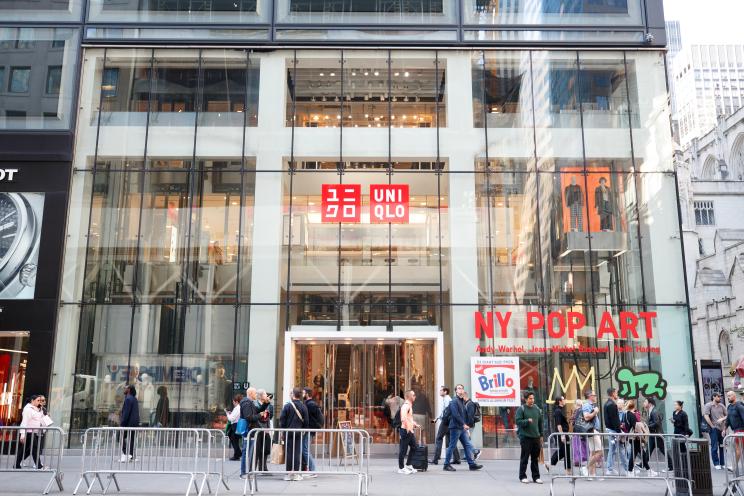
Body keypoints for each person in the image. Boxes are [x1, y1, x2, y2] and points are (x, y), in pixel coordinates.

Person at [442, 385, 483, 472]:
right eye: (459, 388)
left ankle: (471, 464)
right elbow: (455, 414)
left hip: (462, 428)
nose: (461, 389)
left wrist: (466, 426)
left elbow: (463, 415)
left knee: (467, 445)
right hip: (455, 427)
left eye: (462, 388)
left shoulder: (462, 401)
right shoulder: (454, 401)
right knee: (452, 446)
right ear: (456, 391)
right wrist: (463, 424)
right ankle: (446, 465)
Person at [279, 387, 309, 481]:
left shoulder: (287, 406)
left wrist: (282, 431)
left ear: (293, 395)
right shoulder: (303, 406)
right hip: (299, 432)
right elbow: (306, 421)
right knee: (297, 452)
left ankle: (288, 473)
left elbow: (282, 420)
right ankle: (296, 473)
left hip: (288, 432)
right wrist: (303, 430)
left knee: (289, 452)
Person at [239, 387, 270, 477]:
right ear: (250, 394)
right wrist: (259, 416)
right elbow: (249, 417)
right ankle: (244, 472)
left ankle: (247, 471)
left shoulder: (250, 403)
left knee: (250, 451)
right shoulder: (246, 403)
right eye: (255, 393)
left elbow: (258, 410)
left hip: (251, 430)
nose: (256, 395)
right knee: (247, 452)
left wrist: (266, 403)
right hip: (249, 430)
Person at [516, 391, 543, 484]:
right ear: (526, 399)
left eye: (533, 398)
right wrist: (527, 421)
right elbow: (518, 421)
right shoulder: (521, 409)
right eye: (530, 398)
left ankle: (536, 477)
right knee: (525, 458)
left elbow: (540, 423)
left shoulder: (536, 409)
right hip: (525, 437)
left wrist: (541, 435)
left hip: (536, 437)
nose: (532, 400)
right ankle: (522, 476)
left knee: (535, 459)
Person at [624, 400, 656, 477]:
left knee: (641, 454)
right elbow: (636, 427)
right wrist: (642, 435)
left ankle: (647, 470)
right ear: (633, 406)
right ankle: (631, 471)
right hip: (636, 437)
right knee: (637, 454)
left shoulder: (626, 415)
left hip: (632, 437)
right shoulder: (632, 415)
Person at [430, 386, 460, 465]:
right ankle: (457, 459)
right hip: (449, 422)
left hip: (445, 422)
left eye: (441, 390)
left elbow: (446, 411)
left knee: (439, 438)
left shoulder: (447, 399)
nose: (439, 392)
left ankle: (436, 459)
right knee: (451, 441)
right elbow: (444, 411)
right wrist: (437, 419)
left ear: (445, 391)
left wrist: (443, 419)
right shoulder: (446, 399)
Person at [15, 395, 44, 469]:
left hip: (34, 432)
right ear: (32, 401)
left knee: (25, 449)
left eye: (40, 401)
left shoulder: (37, 409)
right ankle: (39, 465)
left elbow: (40, 419)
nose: (39, 402)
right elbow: (24, 422)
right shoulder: (28, 409)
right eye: (38, 400)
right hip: (29, 432)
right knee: (34, 448)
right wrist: (22, 434)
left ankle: (16, 464)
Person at [604, 387, 628, 475]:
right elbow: (614, 420)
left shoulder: (606, 403)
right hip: (614, 431)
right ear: (613, 393)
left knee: (612, 450)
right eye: (616, 392)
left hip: (611, 430)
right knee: (621, 450)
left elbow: (609, 419)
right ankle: (627, 469)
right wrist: (619, 431)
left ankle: (610, 469)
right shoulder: (612, 405)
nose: (617, 394)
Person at [302, 387, 323, 477]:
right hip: (308, 430)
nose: (302, 394)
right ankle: (309, 469)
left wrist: (314, 427)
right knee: (305, 449)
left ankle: (313, 470)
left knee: (305, 450)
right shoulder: (309, 404)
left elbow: (318, 418)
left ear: (307, 394)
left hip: (308, 430)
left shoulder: (310, 404)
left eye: (303, 393)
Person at [581, 390, 602, 480]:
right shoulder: (587, 405)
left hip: (593, 430)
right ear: (590, 396)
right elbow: (586, 417)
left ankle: (591, 475)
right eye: (594, 395)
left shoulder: (590, 405)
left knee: (593, 453)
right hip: (592, 430)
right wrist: (595, 412)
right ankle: (585, 468)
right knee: (600, 452)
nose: (596, 396)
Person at [397, 390, 419, 474]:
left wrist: (414, 424)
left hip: (409, 430)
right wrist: (407, 429)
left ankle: (409, 465)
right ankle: (401, 468)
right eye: (413, 395)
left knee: (414, 447)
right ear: (409, 396)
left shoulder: (409, 405)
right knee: (403, 450)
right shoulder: (405, 406)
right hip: (406, 430)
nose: (415, 396)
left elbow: (409, 418)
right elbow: (403, 418)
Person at [704, 392, 727, 469]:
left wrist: (722, 419)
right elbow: (706, 416)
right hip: (714, 428)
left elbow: (728, 415)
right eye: (718, 397)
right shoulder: (708, 405)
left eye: (720, 397)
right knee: (714, 446)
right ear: (714, 397)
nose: (720, 398)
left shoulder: (722, 406)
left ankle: (723, 463)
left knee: (722, 446)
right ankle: (716, 463)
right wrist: (712, 426)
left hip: (722, 429)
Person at [550, 396, 571, 473]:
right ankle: (568, 470)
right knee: (566, 451)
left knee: (563, 451)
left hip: (563, 433)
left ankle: (549, 464)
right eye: (563, 399)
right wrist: (562, 435)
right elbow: (559, 425)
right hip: (562, 434)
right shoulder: (558, 411)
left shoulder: (560, 410)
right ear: (560, 401)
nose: (565, 400)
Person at [254, 390, 274, 471]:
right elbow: (256, 416)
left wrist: (267, 428)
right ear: (261, 396)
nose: (267, 395)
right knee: (257, 449)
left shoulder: (269, 405)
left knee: (266, 449)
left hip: (266, 429)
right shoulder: (255, 404)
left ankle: (263, 467)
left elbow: (270, 416)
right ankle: (256, 467)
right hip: (258, 429)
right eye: (265, 394)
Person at [120, 385, 140, 462]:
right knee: (131, 439)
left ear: (129, 389)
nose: (124, 389)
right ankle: (131, 456)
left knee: (120, 437)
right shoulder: (134, 399)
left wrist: (122, 423)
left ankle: (125, 454)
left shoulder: (128, 399)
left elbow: (126, 413)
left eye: (125, 388)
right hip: (134, 423)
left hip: (128, 423)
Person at [645, 398, 666, 464]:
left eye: (645, 402)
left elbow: (657, 423)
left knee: (663, 450)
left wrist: (647, 426)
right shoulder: (651, 411)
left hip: (657, 435)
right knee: (648, 450)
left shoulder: (654, 411)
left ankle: (671, 466)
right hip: (653, 434)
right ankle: (643, 464)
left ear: (650, 404)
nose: (644, 403)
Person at [726, 391, 744, 466]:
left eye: (729, 395)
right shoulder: (729, 407)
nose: (728, 397)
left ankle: (734, 466)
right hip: (736, 430)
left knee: (738, 449)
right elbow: (728, 418)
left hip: (740, 430)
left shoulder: (739, 406)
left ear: (734, 396)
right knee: (739, 449)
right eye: (727, 396)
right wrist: (724, 428)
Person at [226, 394, 243, 461]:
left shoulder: (238, 408)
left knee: (234, 439)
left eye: (233, 401)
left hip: (235, 425)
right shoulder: (238, 408)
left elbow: (231, 418)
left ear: (236, 401)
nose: (233, 403)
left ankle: (238, 454)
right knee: (233, 439)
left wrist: (227, 414)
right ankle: (237, 454)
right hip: (235, 425)